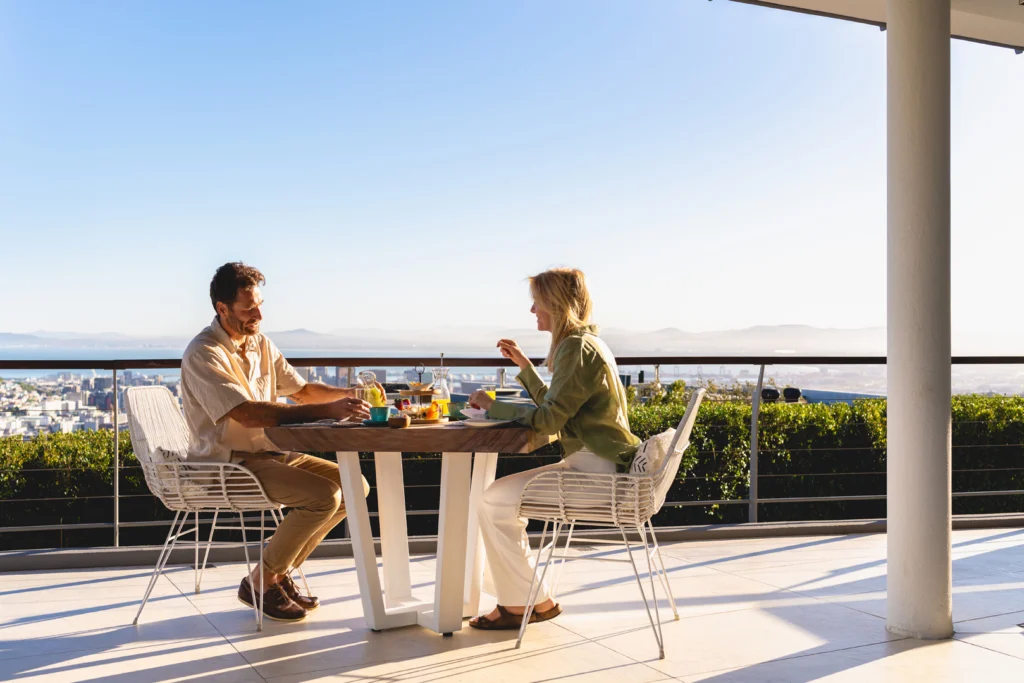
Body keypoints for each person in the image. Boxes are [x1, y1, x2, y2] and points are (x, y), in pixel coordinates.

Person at [180, 262, 378, 623]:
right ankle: (264, 580)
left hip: (272, 453)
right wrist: (328, 412)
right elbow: (247, 414)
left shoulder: (260, 344)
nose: (258, 314)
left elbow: (301, 391)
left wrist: (350, 394)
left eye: (259, 305)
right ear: (222, 309)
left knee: (354, 486)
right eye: (248, 309)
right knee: (323, 497)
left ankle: (274, 574)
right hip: (230, 462)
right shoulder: (204, 352)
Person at [466, 267, 641, 630]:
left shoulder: (575, 347)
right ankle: (525, 600)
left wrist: (491, 405)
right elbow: (559, 407)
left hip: (596, 471)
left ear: (556, 304)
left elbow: (548, 421)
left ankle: (526, 603)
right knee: (496, 501)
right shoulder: (587, 343)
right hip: (600, 463)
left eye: (537, 302)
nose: (532, 311)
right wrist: (527, 368)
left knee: (492, 500)